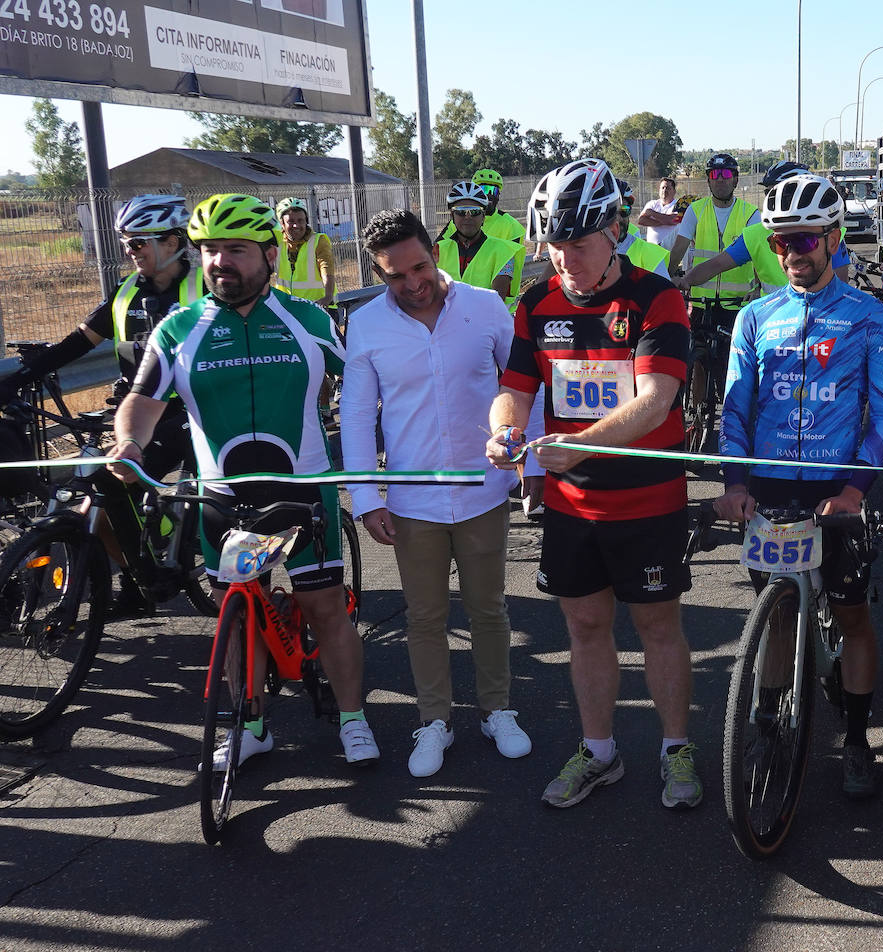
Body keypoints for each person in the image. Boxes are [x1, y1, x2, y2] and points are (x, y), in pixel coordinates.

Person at [109, 193, 379, 768]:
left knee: (326, 607)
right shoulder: (178, 330)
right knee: (237, 619)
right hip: (221, 500)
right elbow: (141, 400)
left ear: (268, 256)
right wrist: (129, 443)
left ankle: (353, 718)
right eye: (208, 250)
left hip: (303, 491)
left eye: (235, 250)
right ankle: (252, 725)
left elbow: (368, 383)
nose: (218, 262)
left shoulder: (309, 320)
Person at [485, 159, 701, 811]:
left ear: (614, 229)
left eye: (578, 244)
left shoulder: (655, 297)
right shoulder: (535, 303)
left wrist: (575, 446)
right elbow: (514, 391)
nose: (565, 258)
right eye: (554, 244)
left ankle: (676, 748)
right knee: (584, 626)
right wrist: (502, 432)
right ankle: (599, 751)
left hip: (647, 498)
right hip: (573, 505)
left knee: (658, 626)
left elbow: (655, 401)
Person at [716, 172, 883, 796]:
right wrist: (735, 480)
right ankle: (767, 714)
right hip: (771, 492)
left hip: (836, 492)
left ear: (833, 239)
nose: (794, 252)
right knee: (777, 616)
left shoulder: (870, 317)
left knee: (851, 617)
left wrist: (855, 490)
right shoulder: (754, 317)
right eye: (783, 241)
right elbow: (734, 406)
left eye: (806, 240)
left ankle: (856, 737)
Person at [341, 208, 531, 779]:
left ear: (436, 252)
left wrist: (533, 464)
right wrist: (366, 498)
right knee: (424, 617)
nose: (412, 283)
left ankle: (497, 709)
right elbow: (354, 418)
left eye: (419, 266)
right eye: (395, 275)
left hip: (482, 489)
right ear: (379, 275)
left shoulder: (486, 307)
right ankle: (434, 720)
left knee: (488, 610)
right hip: (411, 498)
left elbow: (523, 384)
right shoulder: (369, 325)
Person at [0, 194, 202, 616]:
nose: (130, 252)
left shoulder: (207, 288)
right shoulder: (127, 291)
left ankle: (223, 579)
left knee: (207, 501)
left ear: (172, 242)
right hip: (143, 415)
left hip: (196, 416)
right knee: (104, 499)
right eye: (127, 243)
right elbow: (79, 342)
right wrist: (20, 379)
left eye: (138, 243)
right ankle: (139, 581)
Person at [681, 160, 852, 300]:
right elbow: (716, 264)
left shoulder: (830, 232)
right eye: (768, 192)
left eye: (775, 191)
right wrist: (684, 281)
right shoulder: (755, 234)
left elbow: (840, 288)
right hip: (771, 319)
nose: (771, 198)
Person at [668, 153, 760, 409]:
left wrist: (757, 288)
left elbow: (758, 256)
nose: (720, 180)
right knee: (697, 362)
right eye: (714, 175)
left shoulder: (751, 214)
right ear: (708, 181)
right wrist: (670, 275)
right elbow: (678, 249)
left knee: (733, 364)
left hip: (736, 304)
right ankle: (697, 414)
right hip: (701, 300)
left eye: (726, 175)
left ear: (736, 180)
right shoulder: (696, 211)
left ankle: (733, 414)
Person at [434, 180, 522, 303]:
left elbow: (496, 301)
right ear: (452, 216)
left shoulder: (504, 252)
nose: (468, 217)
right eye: (461, 212)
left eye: (475, 211)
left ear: (483, 217)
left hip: (489, 320)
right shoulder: (438, 250)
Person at [273, 197, 335, 308]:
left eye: (300, 220)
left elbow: (327, 269)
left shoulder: (318, 241)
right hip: (287, 308)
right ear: (282, 223)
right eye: (291, 222)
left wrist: (328, 297)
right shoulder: (276, 241)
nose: (296, 225)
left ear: (306, 220)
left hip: (317, 307)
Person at [614, 179, 670, 277]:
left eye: (624, 210)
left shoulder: (649, 255)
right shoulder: (584, 253)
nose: (619, 218)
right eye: (612, 211)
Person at [636, 177, 682, 250]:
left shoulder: (679, 205)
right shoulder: (652, 203)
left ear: (674, 191)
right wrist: (664, 221)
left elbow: (673, 220)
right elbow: (641, 220)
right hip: (652, 249)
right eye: (662, 188)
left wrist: (652, 213)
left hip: (669, 250)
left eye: (668, 188)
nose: (664, 190)